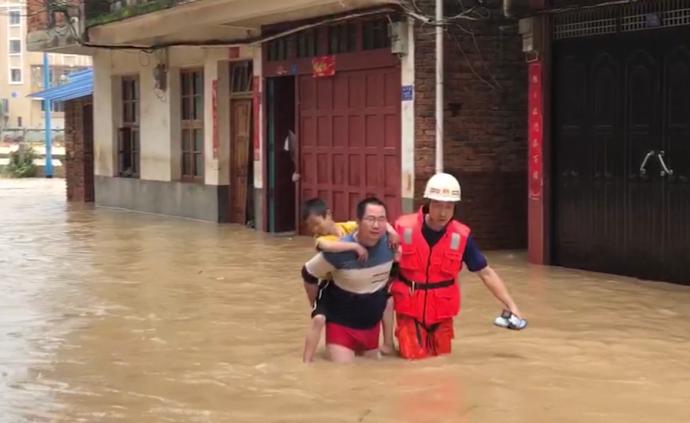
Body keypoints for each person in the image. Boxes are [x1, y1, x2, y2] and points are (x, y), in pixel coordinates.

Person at [390, 173, 525, 360]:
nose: (443, 212)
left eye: (449, 206)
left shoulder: (461, 237)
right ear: (428, 203)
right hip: (409, 310)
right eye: (437, 205)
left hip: (442, 313)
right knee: (413, 361)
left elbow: (485, 273)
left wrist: (511, 305)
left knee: (443, 365)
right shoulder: (402, 228)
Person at [301, 197, 396, 363]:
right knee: (344, 378)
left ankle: (388, 343)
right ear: (359, 221)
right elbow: (308, 272)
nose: (376, 225)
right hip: (341, 325)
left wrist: (394, 233)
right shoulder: (333, 249)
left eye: (381, 219)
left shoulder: (391, 244)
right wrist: (316, 305)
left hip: (371, 327)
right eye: (370, 219)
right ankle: (307, 361)